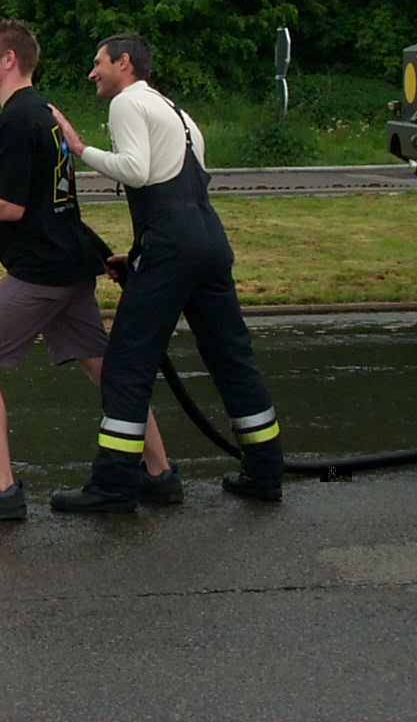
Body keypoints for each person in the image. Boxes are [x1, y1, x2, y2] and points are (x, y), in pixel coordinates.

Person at [0, 19, 178, 520]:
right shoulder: (42, 113)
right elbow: (26, 189)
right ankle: (158, 473)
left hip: (41, 270)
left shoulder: (16, 120)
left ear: (8, 60)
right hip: (70, 261)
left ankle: (1, 490)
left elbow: (11, 206)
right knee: (105, 369)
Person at [47, 32, 284, 512]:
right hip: (208, 243)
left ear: (124, 63)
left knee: (126, 366)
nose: (92, 74)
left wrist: (79, 147)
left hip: (172, 249)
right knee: (233, 361)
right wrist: (138, 255)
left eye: (98, 63)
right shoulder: (175, 111)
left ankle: (114, 485)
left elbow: (136, 171)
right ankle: (265, 472)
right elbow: (174, 186)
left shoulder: (127, 104)